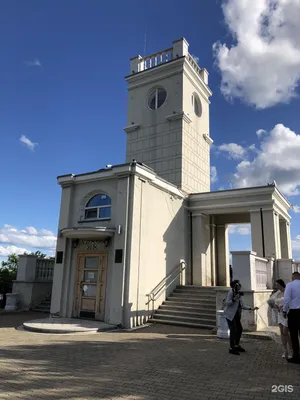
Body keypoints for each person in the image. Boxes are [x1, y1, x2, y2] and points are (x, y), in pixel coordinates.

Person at [223, 280, 259, 355]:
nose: (240, 287)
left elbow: (242, 305)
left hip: (236, 315)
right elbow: (227, 303)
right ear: (235, 286)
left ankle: (236, 345)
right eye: (238, 285)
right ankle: (231, 348)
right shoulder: (231, 292)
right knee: (233, 330)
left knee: (239, 329)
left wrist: (251, 308)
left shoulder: (238, 294)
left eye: (240, 286)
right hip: (229, 315)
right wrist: (234, 299)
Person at [267, 279, 292, 359]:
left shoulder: (287, 291)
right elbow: (272, 302)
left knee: (286, 332)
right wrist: (275, 306)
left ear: (281, 284)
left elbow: (290, 301)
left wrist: (284, 307)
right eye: (276, 285)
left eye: (277, 285)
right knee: (281, 332)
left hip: (286, 314)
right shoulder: (277, 293)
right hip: (279, 314)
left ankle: (291, 349)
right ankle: (285, 350)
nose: (276, 286)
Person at [283, 271, 300, 364]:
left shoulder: (290, 285)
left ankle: (296, 356)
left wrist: (284, 311)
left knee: (294, 335)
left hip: (294, 313)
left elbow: (286, 299)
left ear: (293, 278)